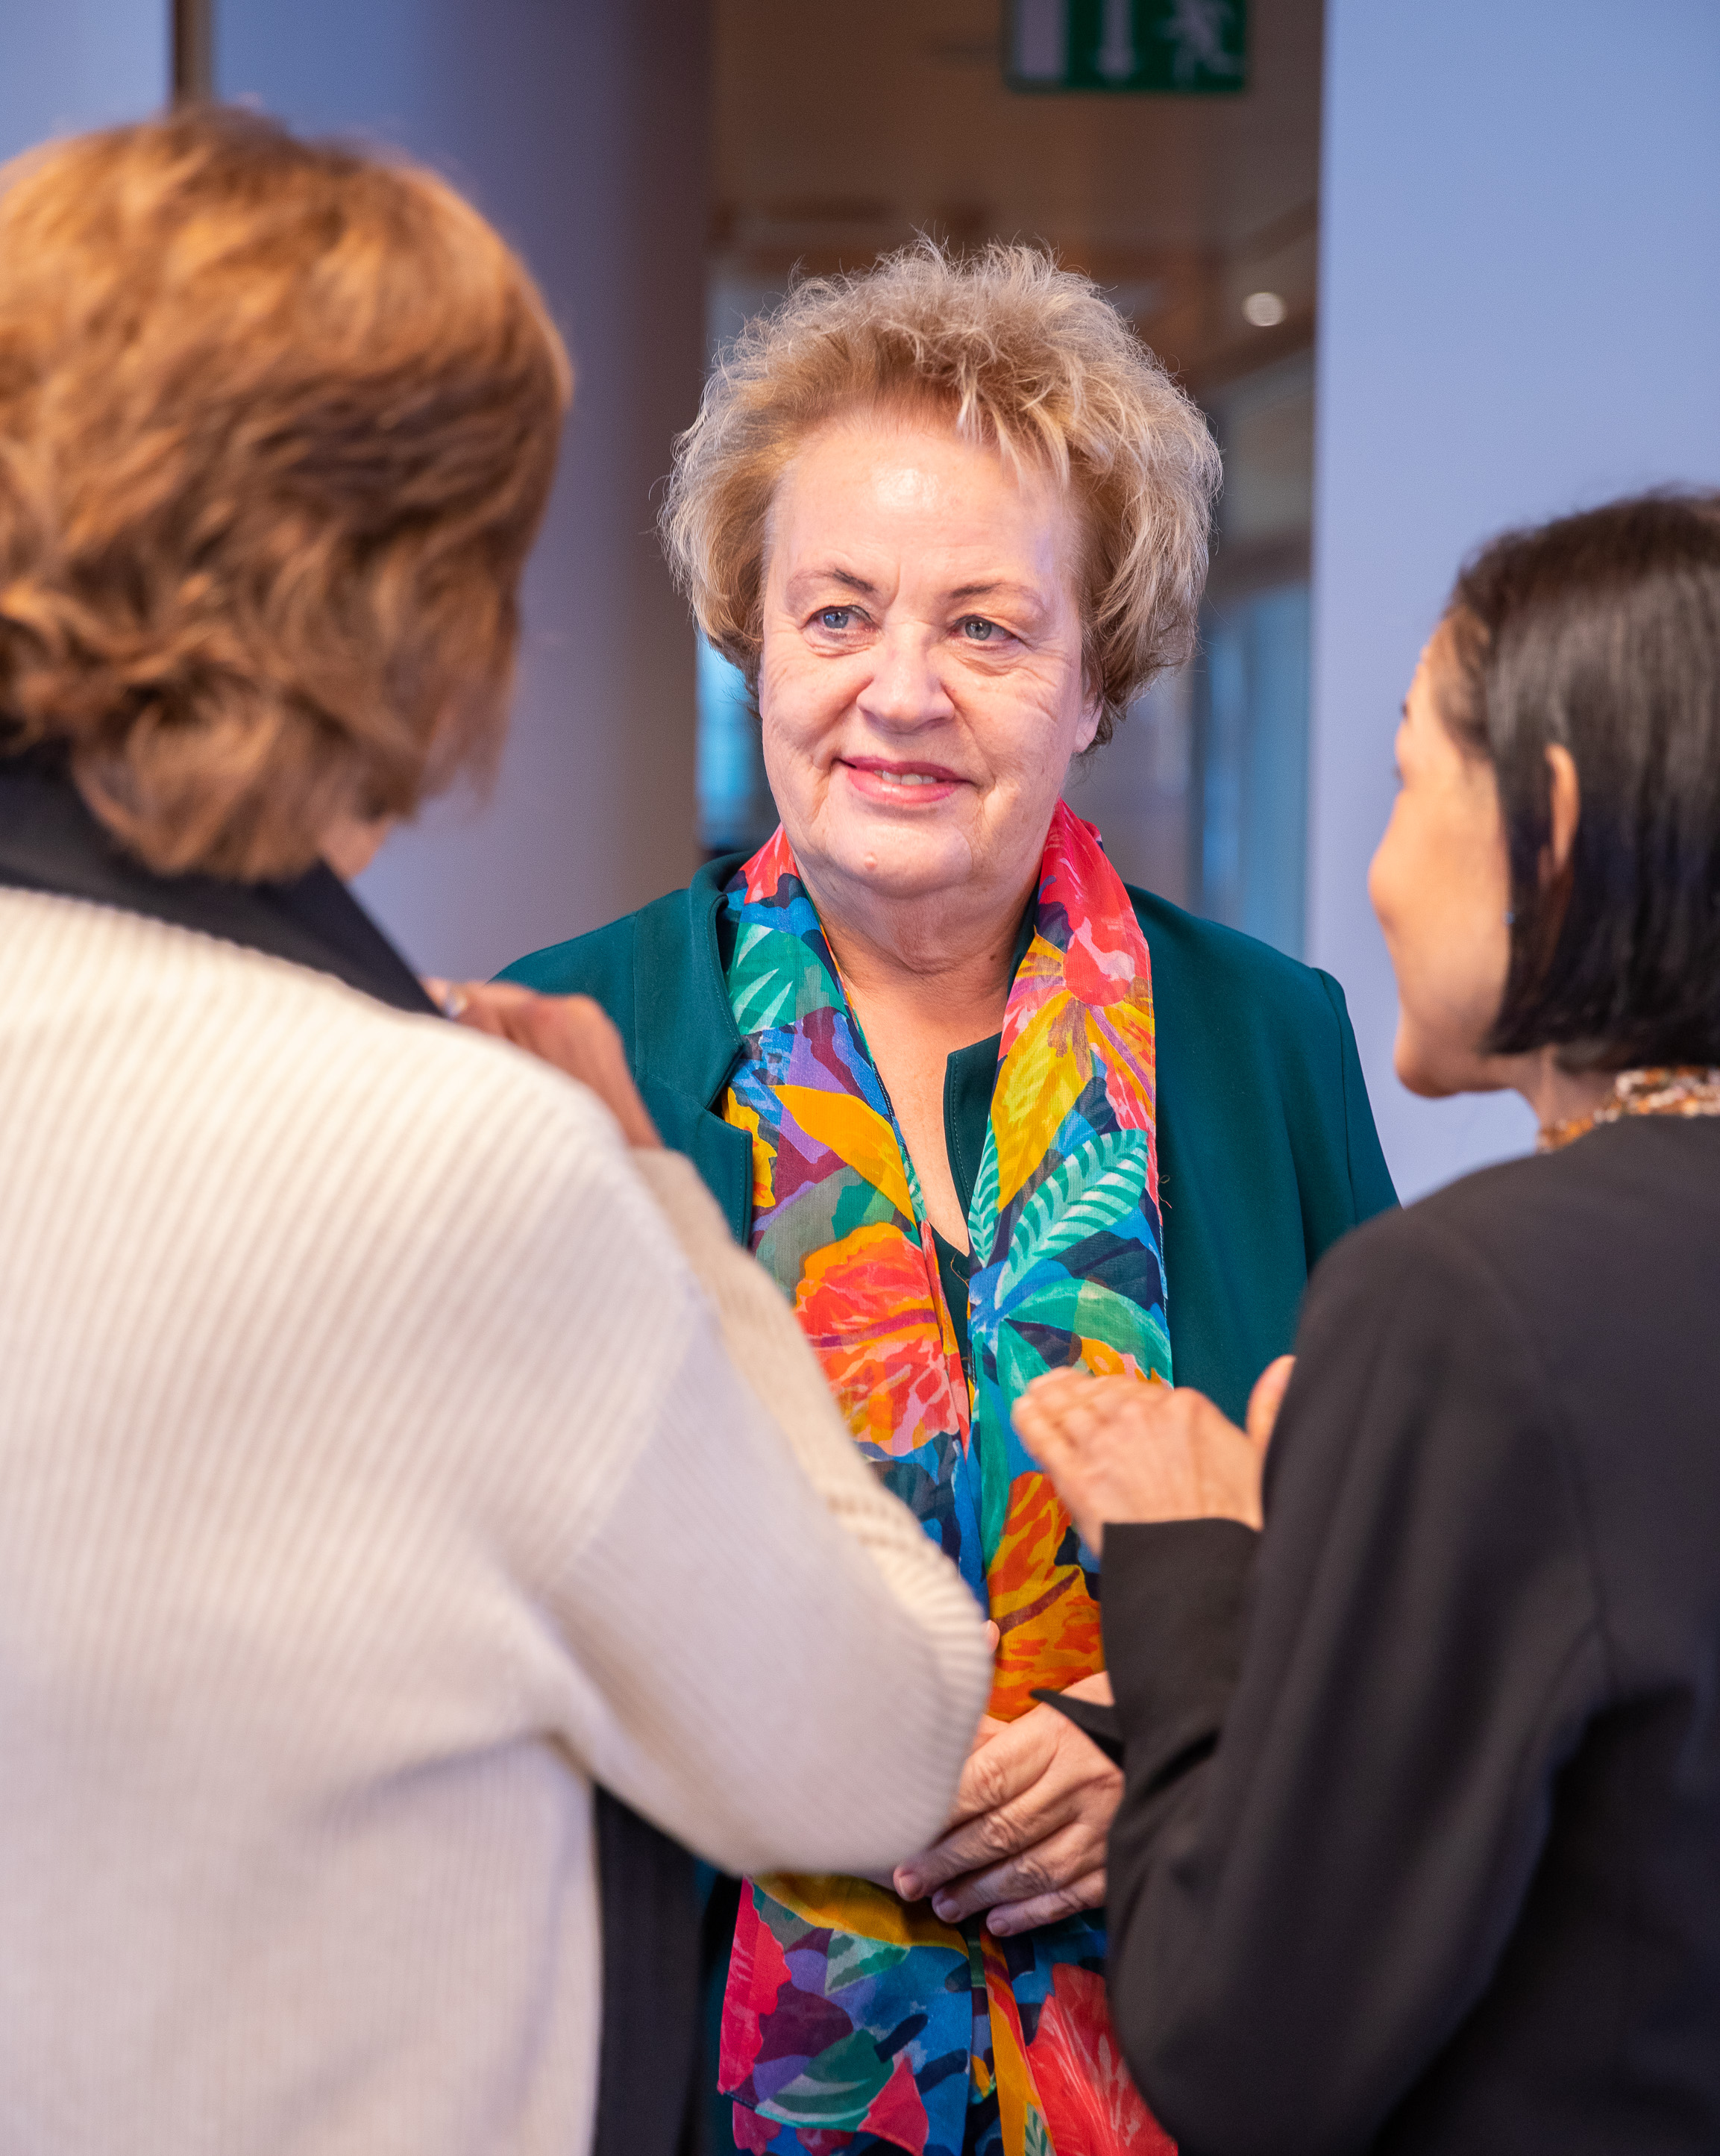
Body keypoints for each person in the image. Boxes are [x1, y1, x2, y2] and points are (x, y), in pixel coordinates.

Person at [0, 111, 994, 2156]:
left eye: (985, 623)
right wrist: (658, 1206)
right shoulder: (451, 1169)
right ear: (419, 614)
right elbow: (874, 1738)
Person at [489, 244, 1395, 2156]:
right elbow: (484, 1587)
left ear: (1096, 680)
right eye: (836, 613)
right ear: (751, 639)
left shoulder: (1266, 1039)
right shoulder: (569, 1037)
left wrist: (1150, 1736)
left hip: (1191, 2037)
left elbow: (1383, 1552)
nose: (896, 693)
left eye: (986, 628)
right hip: (690, 2062)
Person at [1014, 492, 1720, 2153]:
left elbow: (1244, 2048)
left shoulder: (1471, 1302)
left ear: (1547, 823)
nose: (1378, 872)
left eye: (1407, 780)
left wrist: (1194, 1558)